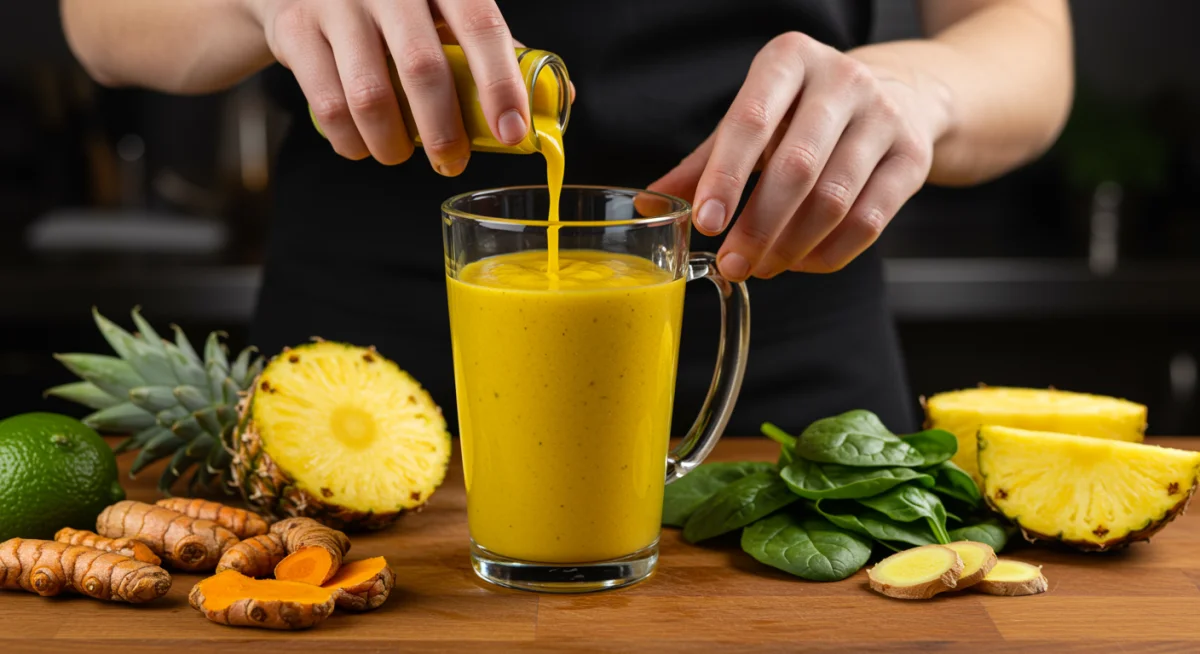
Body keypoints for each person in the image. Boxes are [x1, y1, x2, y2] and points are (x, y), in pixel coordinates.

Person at [60, 0, 1073, 434]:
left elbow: (1029, 39)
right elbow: (99, 22)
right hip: (363, 388)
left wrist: (920, 94)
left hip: (785, 386)